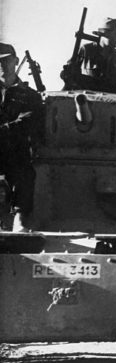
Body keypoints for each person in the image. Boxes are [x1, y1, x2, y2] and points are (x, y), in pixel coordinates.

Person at [0, 43, 44, 232]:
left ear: (15, 61)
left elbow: (28, 121)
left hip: (14, 149)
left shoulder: (29, 95)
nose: (1, 65)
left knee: (24, 170)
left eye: (6, 60)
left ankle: (20, 217)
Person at [60, 17, 116, 94]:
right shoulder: (86, 50)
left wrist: (87, 82)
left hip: (110, 103)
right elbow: (70, 76)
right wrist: (68, 74)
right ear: (105, 34)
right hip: (86, 100)